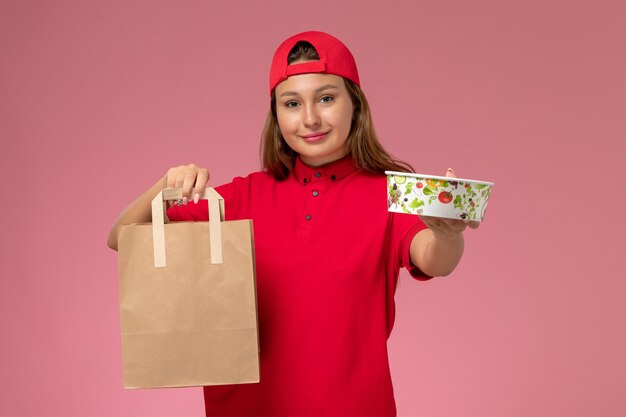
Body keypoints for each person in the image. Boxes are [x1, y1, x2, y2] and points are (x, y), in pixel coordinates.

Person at [107, 30, 479, 417]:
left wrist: (445, 231)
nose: (310, 118)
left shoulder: (390, 195)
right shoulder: (241, 197)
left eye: (326, 98)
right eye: (292, 103)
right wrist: (165, 184)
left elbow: (436, 260)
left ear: (355, 104)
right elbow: (122, 238)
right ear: (276, 114)